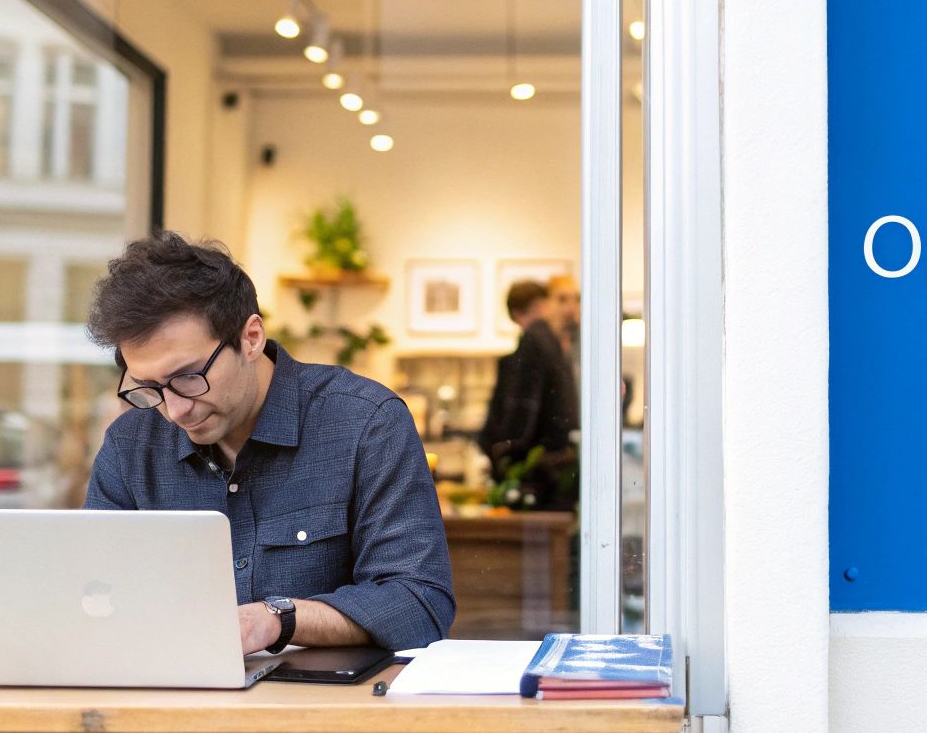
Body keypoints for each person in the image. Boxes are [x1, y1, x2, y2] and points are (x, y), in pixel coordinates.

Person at [82, 231, 454, 654]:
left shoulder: (366, 423)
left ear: (251, 338)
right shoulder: (131, 445)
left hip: (324, 712)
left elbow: (420, 605)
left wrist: (277, 620)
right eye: (149, 386)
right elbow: (91, 598)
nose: (175, 411)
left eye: (188, 377)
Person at [478, 280, 579, 510]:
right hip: (559, 465)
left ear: (517, 312)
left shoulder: (534, 340)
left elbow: (524, 409)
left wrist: (504, 449)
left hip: (541, 473)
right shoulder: (551, 342)